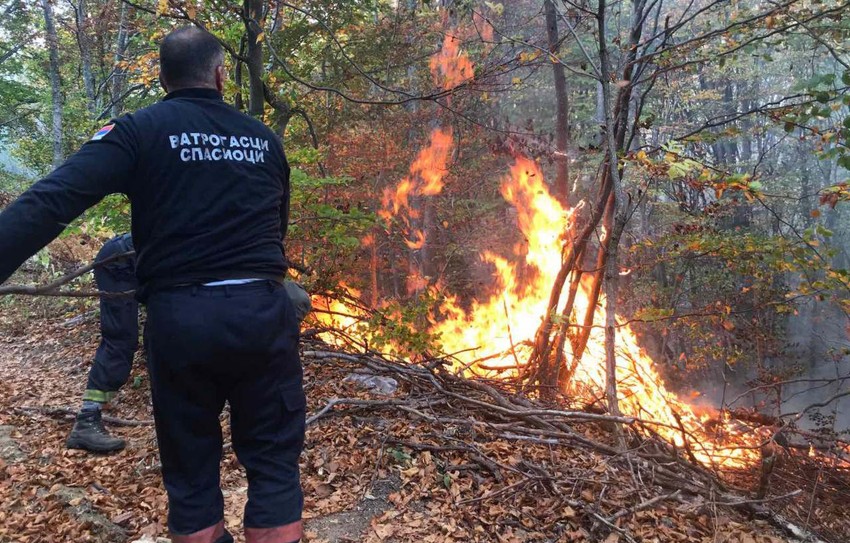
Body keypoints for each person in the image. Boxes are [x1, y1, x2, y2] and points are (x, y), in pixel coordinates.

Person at [0, 27, 305, 543]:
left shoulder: (138, 130)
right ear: (220, 74)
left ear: (163, 78)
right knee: (275, 468)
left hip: (181, 319)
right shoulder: (265, 140)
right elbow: (275, 235)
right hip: (261, 313)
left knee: (191, 476)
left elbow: (53, 200)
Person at [66, 233, 313, 454]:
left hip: (155, 262)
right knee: (121, 340)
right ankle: (87, 420)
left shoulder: (252, 275)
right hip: (122, 262)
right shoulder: (248, 282)